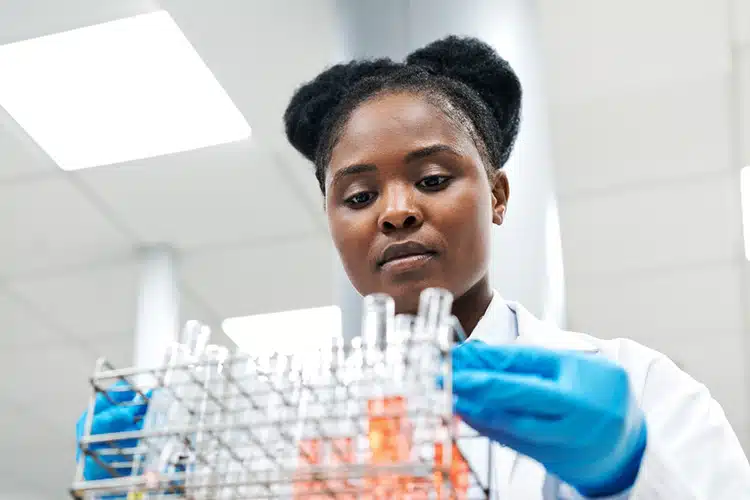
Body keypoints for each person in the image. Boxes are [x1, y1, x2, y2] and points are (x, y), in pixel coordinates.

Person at [77, 36, 750, 498]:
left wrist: (630, 472)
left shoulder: (634, 386)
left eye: (431, 179)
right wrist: (138, 482)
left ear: (498, 196)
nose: (394, 213)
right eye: (360, 196)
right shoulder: (291, 424)